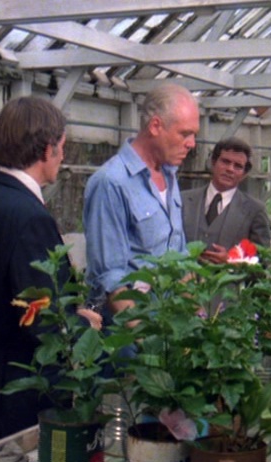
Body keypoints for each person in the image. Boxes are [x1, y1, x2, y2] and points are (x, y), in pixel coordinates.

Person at [0, 96, 101, 446]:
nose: (63, 156)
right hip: (17, 396)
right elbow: (41, 321)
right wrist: (83, 326)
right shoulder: (29, 217)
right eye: (62, 147)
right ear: (46, 149)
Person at [84, 83, 200, 316]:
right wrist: (143, 334)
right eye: (184, 134)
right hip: (128, 327)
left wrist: (198, 318)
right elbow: (111, 279)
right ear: (155, 126)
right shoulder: (112, 182)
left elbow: (180, 259)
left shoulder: (169, 175)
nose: (192, 144)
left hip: (166, 322)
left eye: (194, 135)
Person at [182, 137, 271, 264]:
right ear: (213, 162)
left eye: (238, 166)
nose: (230, 169)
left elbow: (263, 261)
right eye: (225, 162)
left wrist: (232, 261)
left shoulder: (255, 210)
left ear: (244, 174)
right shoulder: (183, 200)